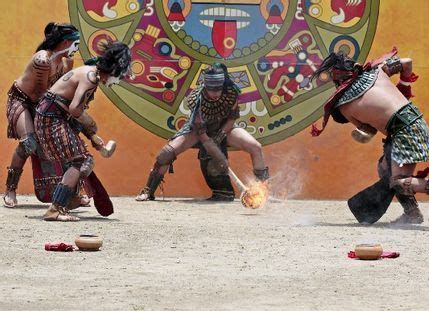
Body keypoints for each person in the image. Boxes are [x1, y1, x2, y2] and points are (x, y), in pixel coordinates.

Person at [311, 48, 429, 224]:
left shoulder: (344, 106)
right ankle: (412, 213)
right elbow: (407, 62)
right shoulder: (378, 72)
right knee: (384, 168)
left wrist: (361, 134)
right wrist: (405, 87)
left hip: (404, 131)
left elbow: (369, 131)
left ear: (337, 81)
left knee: (398, 182)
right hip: (414, 123)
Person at [136, 63, 269, 201]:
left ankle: (262, 193)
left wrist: (220, 136)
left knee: (256, 147)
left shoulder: (231, 92)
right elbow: (201, 133)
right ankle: (148, 191)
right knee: (166, 154)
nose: (216, 93)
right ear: (206, 86)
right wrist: (216, 152)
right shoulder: (196, 99)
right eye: (212, 90)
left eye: (218, 89)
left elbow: (232, 118)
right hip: (199, 131)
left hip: (224, 128)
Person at [34, 41, 132, 221]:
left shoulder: (90, 72)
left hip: (51, 116)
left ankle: (70, 199)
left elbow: (71, 110)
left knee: (80, 159)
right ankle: (56, 209)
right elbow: (75, 110)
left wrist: (92, 135)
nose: (117, 80)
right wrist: (92, 126)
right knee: (80, 161)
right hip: (51, 118)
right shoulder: (90, 77)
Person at [3, 22, 80, 208]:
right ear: (64, 43)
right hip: (22, 101)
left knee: (66, 140)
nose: (77, 49)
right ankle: (10, 189)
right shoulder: (42, 60)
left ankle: (71, 193)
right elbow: (39, 94)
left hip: (46, 105)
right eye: (75, 44)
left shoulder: (67, 61)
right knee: (29, 143)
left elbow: (64, 90)